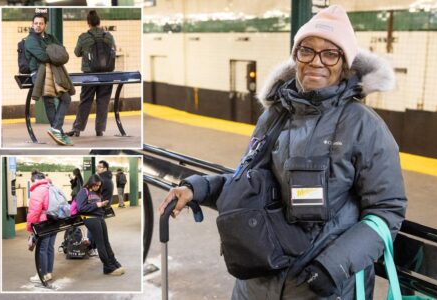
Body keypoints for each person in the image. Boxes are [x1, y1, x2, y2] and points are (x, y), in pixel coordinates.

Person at [159, 5, 407, 299]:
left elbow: (386, 210)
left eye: (330, 53)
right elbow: (248, 182)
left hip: (321, 288)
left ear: (344, 64)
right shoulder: (274, 115)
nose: (317, 61)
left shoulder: (364, 127)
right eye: (307, 50)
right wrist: (197, 188)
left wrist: (334, 266)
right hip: (256, 283)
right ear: (295, 56)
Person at [24, 13, 74, 146]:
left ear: (45, 25)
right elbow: (43, 57)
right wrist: (53, 51)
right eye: (36, 23)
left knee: (66, 98)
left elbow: (63, 53)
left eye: (41, 23)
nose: (38, 26)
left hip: (53, 72)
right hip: (39, 73)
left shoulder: (51, 37)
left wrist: (50, 51)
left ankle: (56, 129)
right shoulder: (30, 40)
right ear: (32, 24)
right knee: (50, 102)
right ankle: (59, 132)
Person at [67, 10, 116, 137]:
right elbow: (113, 51)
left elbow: (77, 53)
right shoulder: (109, 36)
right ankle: (99, 130)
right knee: (103, 101)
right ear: (99, 22)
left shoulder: (84, 37)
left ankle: (77, 129)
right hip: (106, 75)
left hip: (89, 75)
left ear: (88, 23)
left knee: (85, 101)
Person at [75, 174, 125, 275]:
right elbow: (80, 208)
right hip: (90, 219)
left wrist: (102, 205)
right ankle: (107, 267)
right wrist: (96, 205)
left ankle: (113, 262)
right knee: (100, 243)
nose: (97, 187)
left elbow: (97, 206)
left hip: (99, 218)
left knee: (106, 242)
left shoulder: (97, 192)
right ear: (90, 183)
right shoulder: (83, 192)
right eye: (95, 185)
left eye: (98, 185)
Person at [26, 170, 57, 283]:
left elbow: (34, 211)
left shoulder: (38, 190)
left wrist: (30, 227)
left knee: (42, 249)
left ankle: (41, 274)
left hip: (43, 223)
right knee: (49, 248)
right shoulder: (51, 187)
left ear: (34, 180)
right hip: (55, 221)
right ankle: (48, 273)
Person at [87, 159, 114, 256]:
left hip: (98, 208)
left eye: (99, 167)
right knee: (97, 228)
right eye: (97, 167)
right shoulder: (109, 178)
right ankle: (94, 248)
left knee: (92, 228)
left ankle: (91, 248)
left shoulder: (101, 180)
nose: (97, 168)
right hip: (104, 207)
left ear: (105, 168)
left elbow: (93, 193)